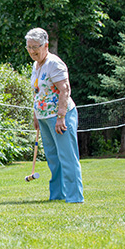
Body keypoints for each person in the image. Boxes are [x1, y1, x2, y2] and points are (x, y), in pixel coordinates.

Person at [26, 27, 84, 203]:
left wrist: (61, 116)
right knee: (53, 158)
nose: (32, 50)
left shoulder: (54, 63)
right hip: (44, 117)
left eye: (36, 46)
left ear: (46, 45)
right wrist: (36, 115)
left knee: (67, 156)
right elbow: (38, 92)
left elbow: (64, 89)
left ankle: (75, 196)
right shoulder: (36, 65)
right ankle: (58, 194)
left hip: (60, 117)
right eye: (29, 47)